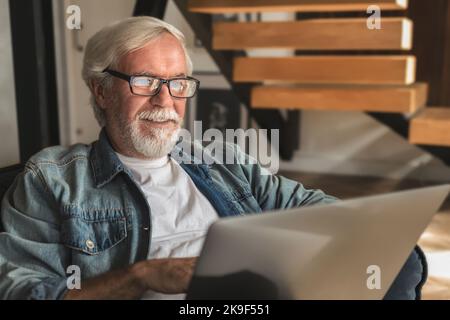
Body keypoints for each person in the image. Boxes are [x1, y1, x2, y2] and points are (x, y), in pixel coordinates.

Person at [0, 17, 423, 300]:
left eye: (177, 83)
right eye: (145, 81)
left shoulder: (221, 160)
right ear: (102, 90)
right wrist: (141, 276)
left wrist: (356, 233)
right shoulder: (52, 179)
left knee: (400, 259)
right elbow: (23, 292)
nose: (165, 100)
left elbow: (309, 206)